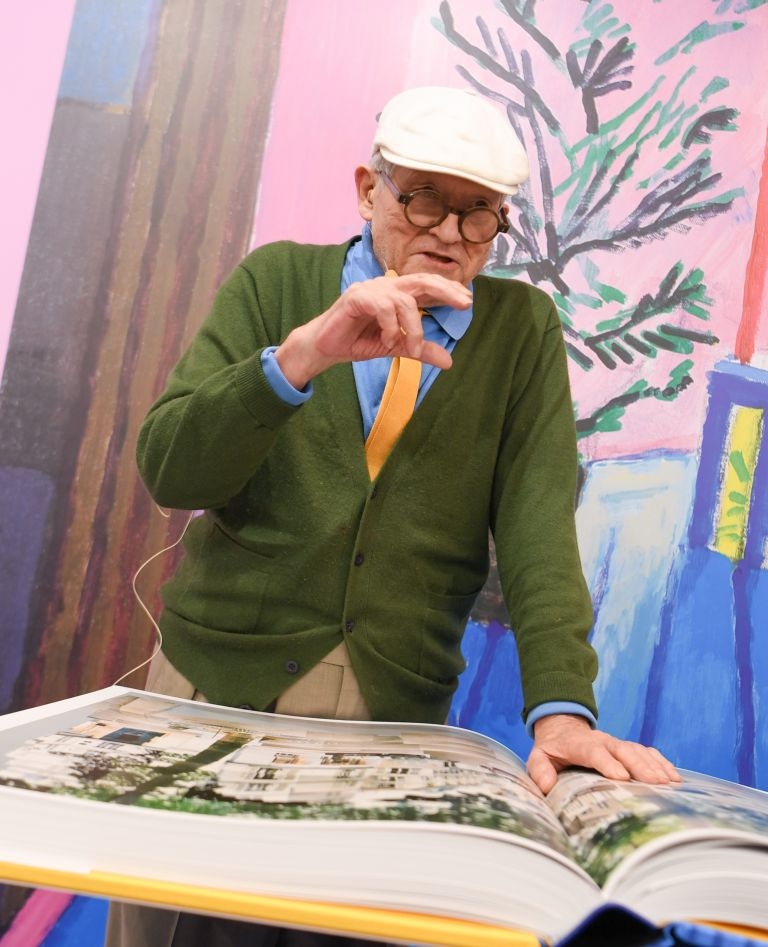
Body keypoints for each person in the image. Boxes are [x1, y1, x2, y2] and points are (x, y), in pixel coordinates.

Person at [105, 86, 679, 947]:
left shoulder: (521, 331)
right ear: (367, 188)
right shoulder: (278, 280)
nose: (449, 234)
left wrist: (562, 709)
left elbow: (537, 527)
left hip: (388, 714)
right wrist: (302, 357)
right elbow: (172, 468)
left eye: (479, 215)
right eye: (423, 200)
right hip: (214, 682)